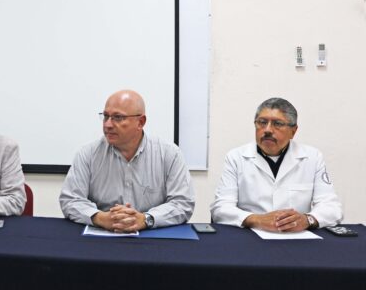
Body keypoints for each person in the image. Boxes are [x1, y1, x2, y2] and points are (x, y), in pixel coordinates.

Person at [59, 90, 194, 231]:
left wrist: (146, 219)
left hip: (151, 238)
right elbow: (70, 200)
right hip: (102, 237)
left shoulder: (169, 154)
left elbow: (183, 203)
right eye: (106, 116)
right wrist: (100, 218)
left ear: (140, 122)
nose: (107, 125)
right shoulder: (88, 154)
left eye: (117, 117)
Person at [210, 97, 342, 231]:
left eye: (277, 123)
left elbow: (332, 207)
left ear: (293, 131)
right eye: (262, 122)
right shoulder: (236, 157)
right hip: (251, 235)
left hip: (296, 236)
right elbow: (221, 208)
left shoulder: (312, 157)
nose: (267, 130)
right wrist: (257, 219)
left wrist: (308, 219)